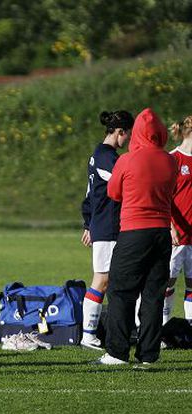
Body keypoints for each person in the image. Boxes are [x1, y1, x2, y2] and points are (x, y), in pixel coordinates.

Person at [94, 108, 177, 366]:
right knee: (153, 295)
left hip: (133, 232)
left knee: (121, 292)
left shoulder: (127, 160)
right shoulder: (170, 161)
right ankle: (149, 354)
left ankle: (117, 352)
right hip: (162, 233)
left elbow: (114, 192)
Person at [79, 110, 134, 350]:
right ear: (120, 132)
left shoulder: (98, 154)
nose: (128, 141)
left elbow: (89, 195)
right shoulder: (108, 158)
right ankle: (88, 335)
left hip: (101, 225)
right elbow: (124, 183)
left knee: (108, 279)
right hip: (109, 226)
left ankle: (107, 330)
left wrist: (88, 223)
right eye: (128, 136)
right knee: (102, 280)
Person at [163, 116, 192, 325]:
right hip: (177, 234)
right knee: (168, 282)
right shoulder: (173, 159)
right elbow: (164, 197)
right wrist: (171, 226)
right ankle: (162, 326)